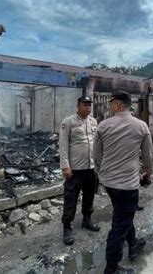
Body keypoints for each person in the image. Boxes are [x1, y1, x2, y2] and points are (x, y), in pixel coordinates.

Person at [93, 92, 153, 274]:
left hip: (110, 183)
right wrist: (147, 173)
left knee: (122, 215)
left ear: (118, 105)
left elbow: (96, 156)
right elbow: (149, 157)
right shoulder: (141, 126)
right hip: (128, 184)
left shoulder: (103, 125)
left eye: (112, 103)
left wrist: (101, 172)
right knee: (119, 226)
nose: (111, 105)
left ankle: (133, 244)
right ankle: (111, 269)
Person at [59, 96, 100, 245]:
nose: (88, 107)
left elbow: (95, 143)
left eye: (90, 105)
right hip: (75, 169)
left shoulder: (93, 121)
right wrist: (65, 165)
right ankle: (67, 226)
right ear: (77, 106)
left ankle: (87, 219)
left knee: (89, 195)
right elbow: (63, 145)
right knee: (71, 198)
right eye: (85, 104)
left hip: (90, 167)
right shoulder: (68, 122)